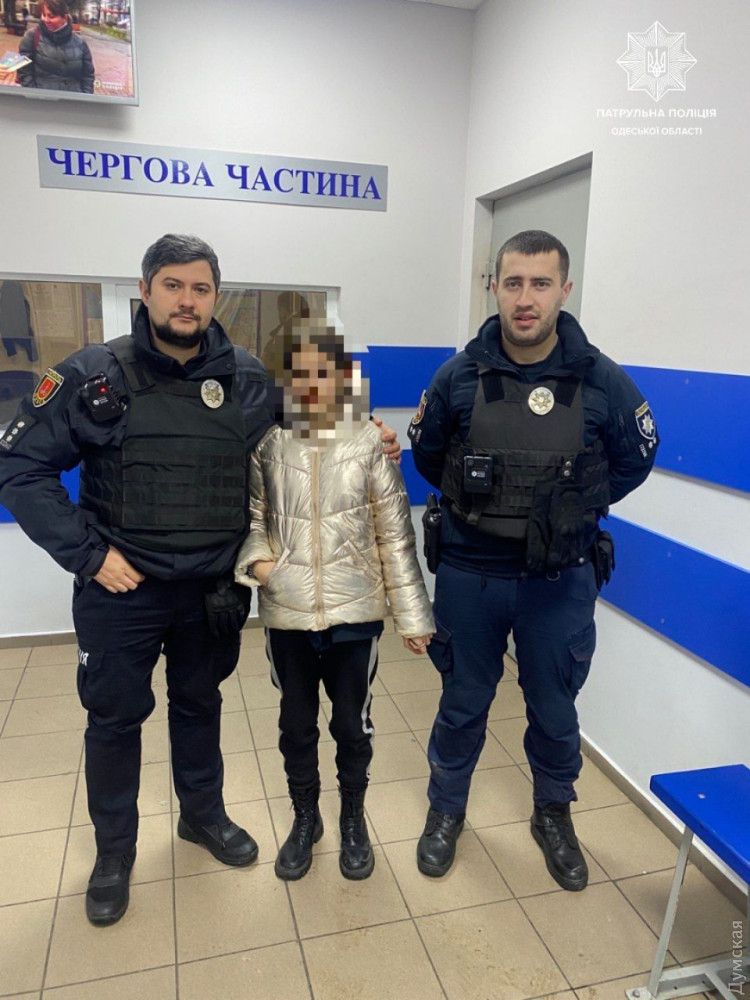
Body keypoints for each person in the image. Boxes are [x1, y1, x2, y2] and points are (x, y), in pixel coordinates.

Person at [0, 234, 402, 926]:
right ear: (145, 290)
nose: (186, 301)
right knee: (114, 720)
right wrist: (89, 556)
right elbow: (19, 468)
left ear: (215, 296)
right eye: (173, 286)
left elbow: (308, 433)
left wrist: (370, 434)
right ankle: (114, 853)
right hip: (121, 591)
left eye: (200, 288)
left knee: (199, 706)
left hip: (210, 591)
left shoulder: (246, 378)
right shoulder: (94, 374)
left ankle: (202, 815)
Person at [408, 230, 658, 889]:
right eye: (513, 282)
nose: (526, 298)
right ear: (494, 287)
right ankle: (446, 810)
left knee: (554, 709)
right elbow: (430, 456)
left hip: (559, 578)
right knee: (463, 702)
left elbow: (636, 458)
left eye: (540, 283)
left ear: (564, 290)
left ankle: (553, 814)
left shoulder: (601, 379)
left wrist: (571, 506)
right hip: (471, 573)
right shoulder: (459, 375)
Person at [235, 320, 434, 882]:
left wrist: (413, 617)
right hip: (288, 614)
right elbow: (253, 520)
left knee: (351, 724)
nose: (312, 384)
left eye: (323, 372)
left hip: (355, 617)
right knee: (296, 725)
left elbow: (395, 536)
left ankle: (352, 817)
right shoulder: (270, 447)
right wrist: (263, 567)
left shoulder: (370, 444)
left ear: (344, 377)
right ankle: (306, 818)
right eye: (299, 374)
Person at [17, 0, 95, 93]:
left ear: (64, 17)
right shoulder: (32, 37)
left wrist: (84, 97)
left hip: (72, 99)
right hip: (41, 98)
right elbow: (24, 71)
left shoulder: (80, 43)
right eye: (44, 15)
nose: (46, 20)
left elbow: (88, 76)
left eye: (51, 16)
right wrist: (34, 94)